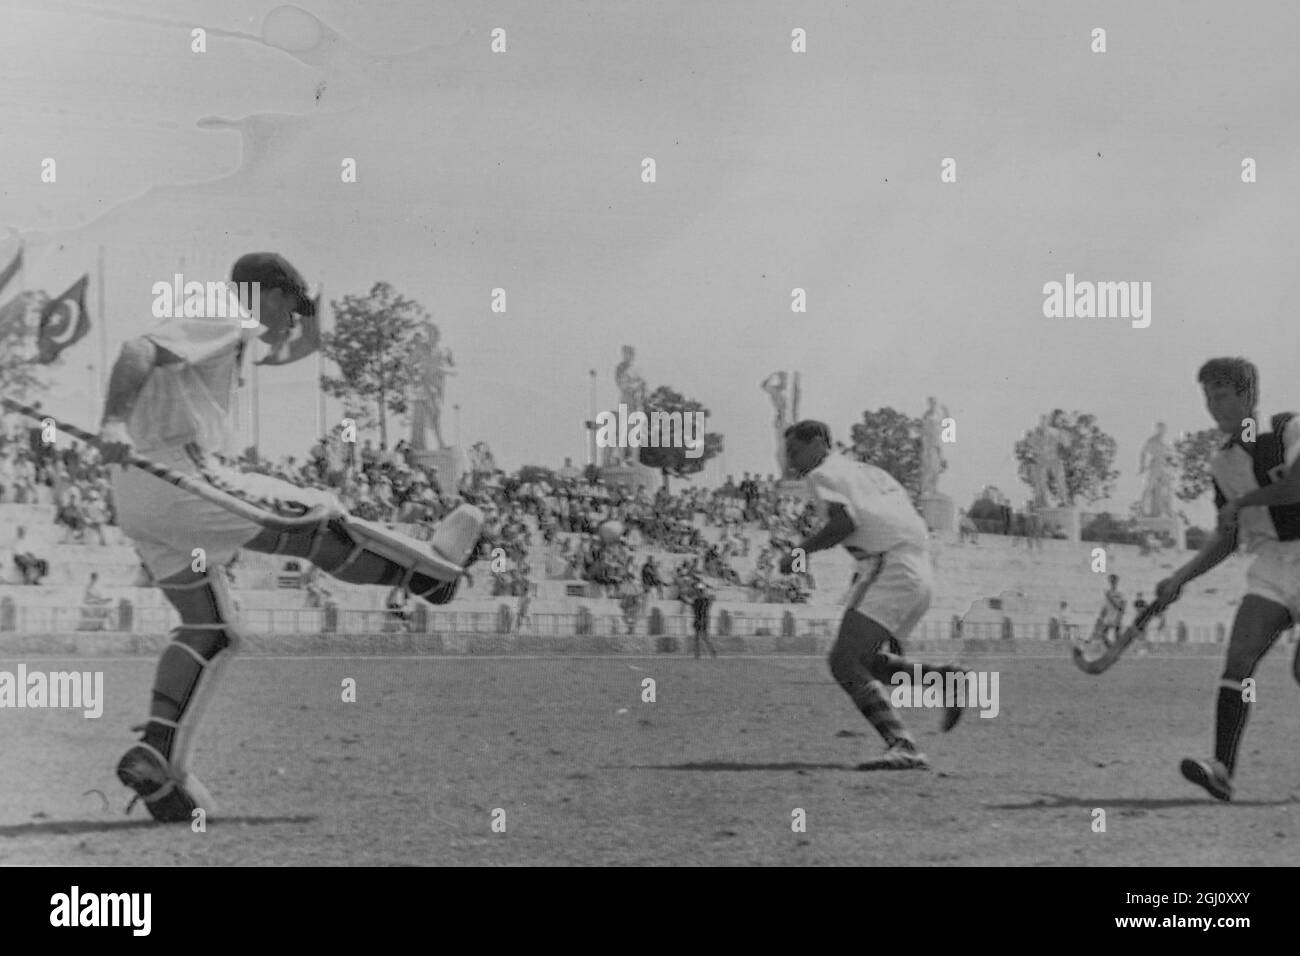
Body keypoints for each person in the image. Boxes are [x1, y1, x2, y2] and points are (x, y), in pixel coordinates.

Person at [99, 252, 483, 823]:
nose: (292, 326)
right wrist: (111, 421)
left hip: (138, 494)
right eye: (293, 310)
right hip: (176, 473)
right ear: (271, 293)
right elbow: (136, 350)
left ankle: (159, 757)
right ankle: (431, 577)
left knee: (212, 627)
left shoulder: (221, 328)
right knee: (320, 519)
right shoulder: (228, 310)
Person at [781, 420, 968, 769]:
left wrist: (799, 553)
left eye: (795, 451)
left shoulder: (823, 476)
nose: (792, 461)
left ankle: (904, 745)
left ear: (819, 442)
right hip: (917, 566)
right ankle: (943, 678)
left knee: (843, 662)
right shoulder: (867, 470)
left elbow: (844, 524)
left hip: (890, 566)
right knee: (865, 662)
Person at [1156, 358, 1300, 802]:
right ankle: (1222, 769)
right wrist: (1180, 577)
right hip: (1273, 562)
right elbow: (1228, 536)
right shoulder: (1222, 461)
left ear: (1249, 396)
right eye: (1208, 397)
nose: (1213, 405)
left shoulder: (1288, 429)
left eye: (1222, 395)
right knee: (1239, 659)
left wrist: (1247, 501)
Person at [1094, 574, 1125, 647]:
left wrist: (1119, 618)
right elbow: (1105, 606)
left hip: (1116, 617)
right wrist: (1101, 617)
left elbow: (1121, 607)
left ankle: (1116, 650)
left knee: (1117, 637)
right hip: (1108, 617)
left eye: (1113, 580)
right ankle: (1110, 648)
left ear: (1116, 582)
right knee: (1102, 635)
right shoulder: (1107, 592)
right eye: (1111, 581)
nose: (1112, 582)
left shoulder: (1120, 593)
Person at [690, 579, 717, 659]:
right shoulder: (705, 600)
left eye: (699, 590)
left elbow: (696, 610)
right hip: (703, 619)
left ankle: (700, 654)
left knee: (700, 638)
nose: (699, 591)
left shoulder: (698, 600)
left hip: (701, 619)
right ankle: (709, 653)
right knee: (702, 638)